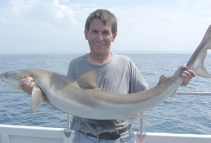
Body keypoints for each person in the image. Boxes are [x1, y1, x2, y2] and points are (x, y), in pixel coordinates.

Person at [20, 9, 196, 143]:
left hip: (122, 137)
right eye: (94, 31)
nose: (99, 37)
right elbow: (69, 104)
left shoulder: (126, 63)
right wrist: (41, 96)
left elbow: (145, 95)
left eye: (105, 32)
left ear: (114, 36)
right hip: (84, 137)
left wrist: (175, 81)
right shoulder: (76, 65)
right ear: (86, 34)